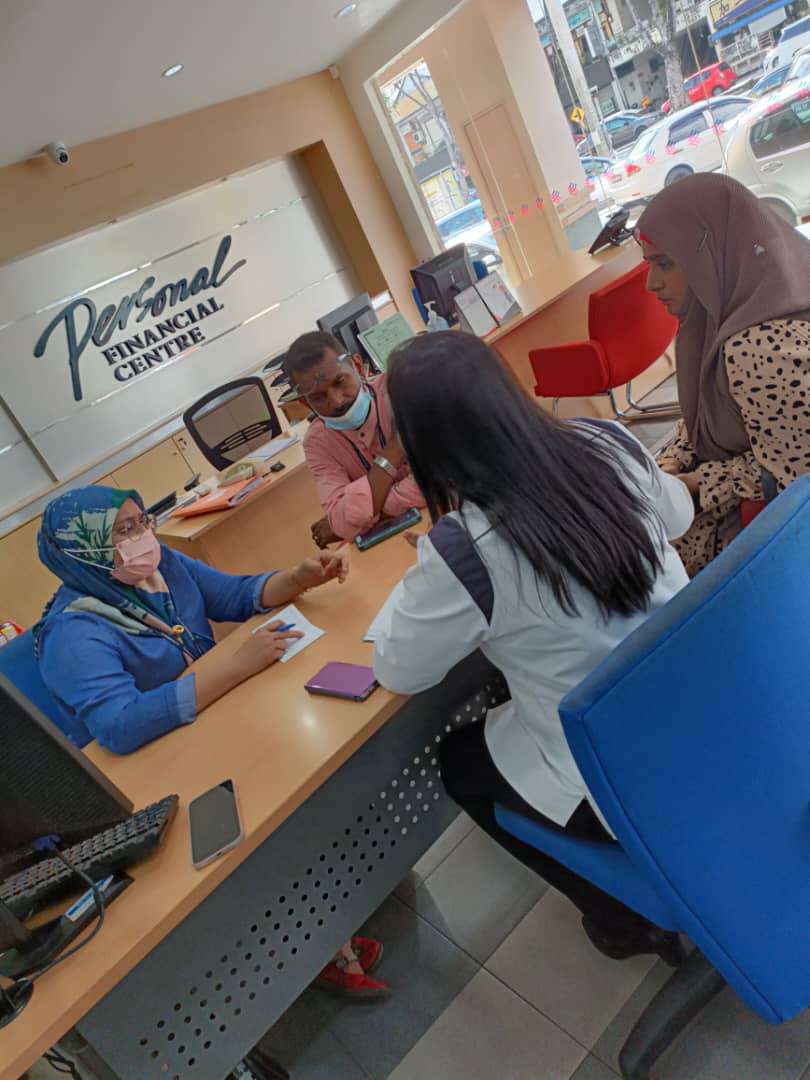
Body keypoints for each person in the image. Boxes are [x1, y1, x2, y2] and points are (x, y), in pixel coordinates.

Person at [371, 332, 695, 964]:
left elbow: (397, 668)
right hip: (709, 711)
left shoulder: (463, 548)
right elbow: (678, 517)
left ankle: (625, 923)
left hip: (630, 777)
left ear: (422, 441)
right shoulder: (607, 440)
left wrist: (422, 577)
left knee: (460, 762)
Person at [35, 485, 390, 1000]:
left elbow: (234, 595)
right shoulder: (71, 634)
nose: (142, 537)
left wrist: (297, 577)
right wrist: (233, 667)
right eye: (123, 531)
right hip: (157, 770)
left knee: (297, 775)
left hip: (209, 726)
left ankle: (337, 906)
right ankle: (318, 945)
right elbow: (120, 725)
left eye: (142, 522)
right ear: (83, 547)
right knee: (269, 816)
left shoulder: (160, 566)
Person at [637, 174, 810, 576]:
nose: (651, 284)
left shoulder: (754, 347)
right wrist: (676, 458)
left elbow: (795, 477)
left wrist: (699, 482)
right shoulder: (766, 293)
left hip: (766, 548)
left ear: (710, 254)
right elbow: (717, 410)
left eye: (665, 264)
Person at [282, 331, 424, 548]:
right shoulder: (317, 442)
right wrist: (395, 449)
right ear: (305, 403)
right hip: (393, 545)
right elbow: (341, 521)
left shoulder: (399, 390)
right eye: (318, 397)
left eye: (340, 382)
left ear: (358, 366)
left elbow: (439, 478)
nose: (336, 402)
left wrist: (367, 515)